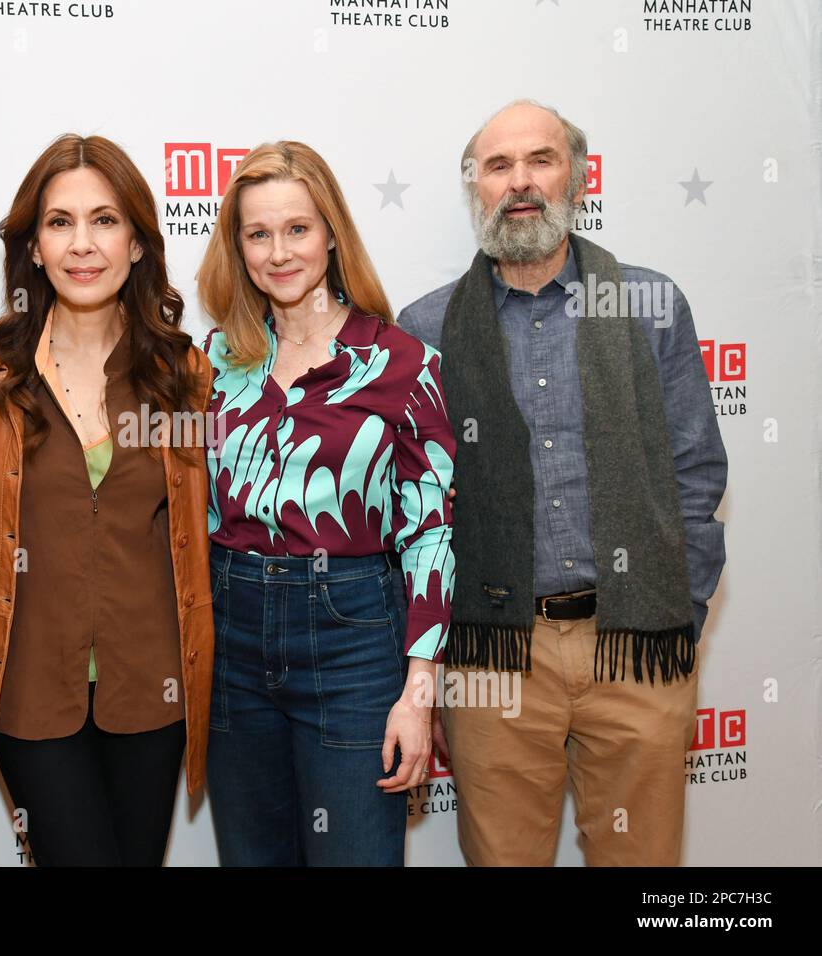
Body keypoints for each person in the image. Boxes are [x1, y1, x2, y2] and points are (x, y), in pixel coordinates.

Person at [397, 99, 728, 866]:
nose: (520, 182)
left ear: (576, 176)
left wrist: (680, 611)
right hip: (494, 660)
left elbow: (697, 469)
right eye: (498, 165)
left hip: (636, 647)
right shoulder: (426, 327)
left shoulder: (650, 305)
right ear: (473, 187)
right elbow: (416, 508)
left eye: (540, 160)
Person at [0, 134, 214, 866]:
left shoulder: (184, 373)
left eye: (105, 220)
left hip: (152, 685)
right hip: (26, 686)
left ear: (136, 243)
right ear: (32, 247)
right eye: (59, 222)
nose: (82, 244)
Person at [197, 141, 456, 866]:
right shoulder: (214, 363)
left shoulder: (403, 363)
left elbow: (432, 532)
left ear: (332, 233)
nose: (279, 252)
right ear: (238, 245)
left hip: (354, 641)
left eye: (298, 229)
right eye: (258, 233)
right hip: (232, 642)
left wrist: (419, 691)